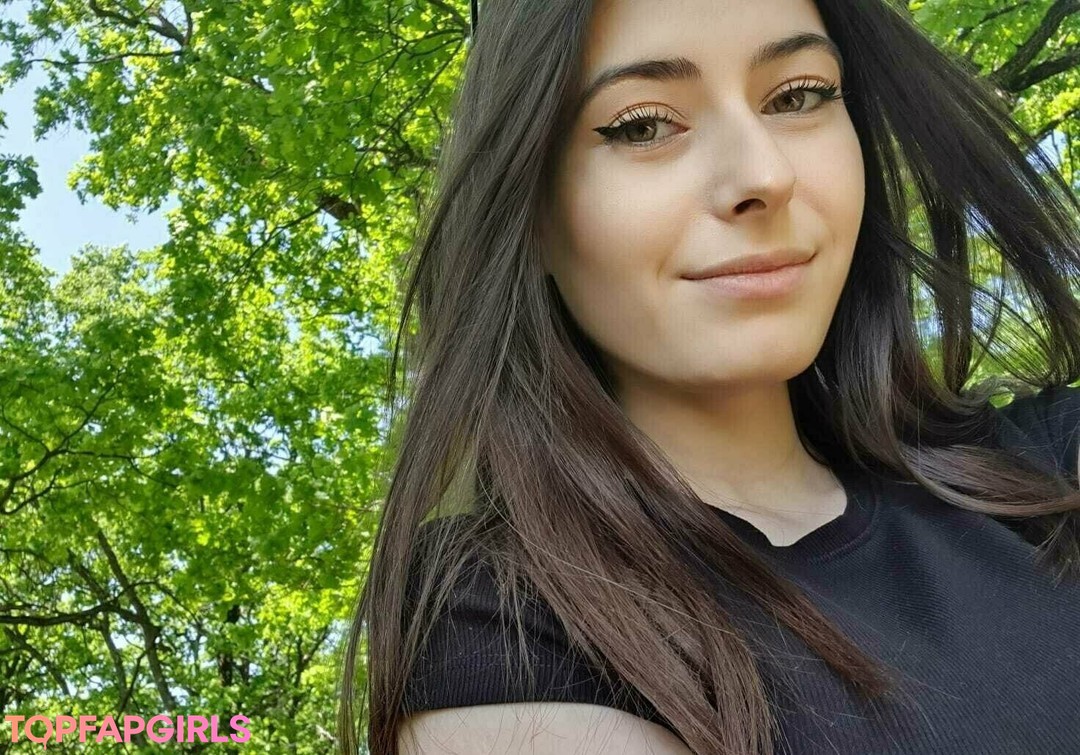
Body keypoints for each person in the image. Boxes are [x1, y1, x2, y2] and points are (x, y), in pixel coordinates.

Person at [336, 0, 1080, 752]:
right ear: (532, 216)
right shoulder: (504, 619)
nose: (765, 175)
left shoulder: (1046, 462)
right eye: (642, 126)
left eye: (799, 96)